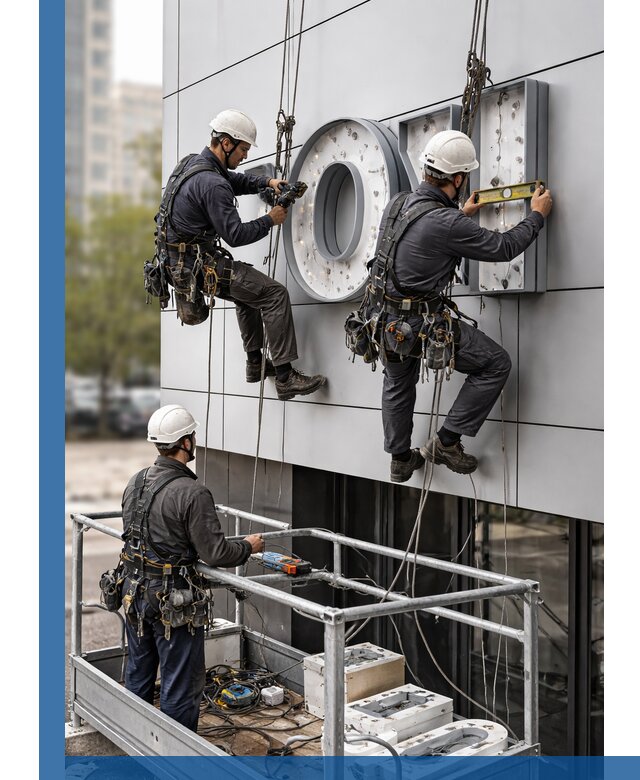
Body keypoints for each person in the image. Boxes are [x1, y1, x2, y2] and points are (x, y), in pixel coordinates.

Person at [370, 129, 553, 482]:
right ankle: (447, 442)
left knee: (397, 383)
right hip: (419, 322)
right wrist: (537, 215)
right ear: (457, 179)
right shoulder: (447, 222)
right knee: (496, 363)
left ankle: (400, 459)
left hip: (385, 319)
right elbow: (503, 247)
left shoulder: (398, 203)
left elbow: (419, 241)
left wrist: (460, 216)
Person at [160, 108, 326, 402]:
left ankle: (255, 362)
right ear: (226, 143)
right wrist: (270, 219)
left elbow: (232, 180)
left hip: (180, 264)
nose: (245, 156)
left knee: (247, 291)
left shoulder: (192, 164)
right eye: (243, 149)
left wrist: (266, 182)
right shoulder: (212, 184)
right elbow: (235, 235)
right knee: (274, 294)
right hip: (197, 267)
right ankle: (285, 378)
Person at [119, 404, 264, 731]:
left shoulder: (136, 481)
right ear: (185, 442)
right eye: (193, 436)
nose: (194, 440)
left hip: (134, 590)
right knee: (180, 683)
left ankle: (134, 741)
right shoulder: (193, 493)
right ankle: (176, 754)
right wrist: (248, 547)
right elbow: (216, 553)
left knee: (139, 672)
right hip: (171, 600)